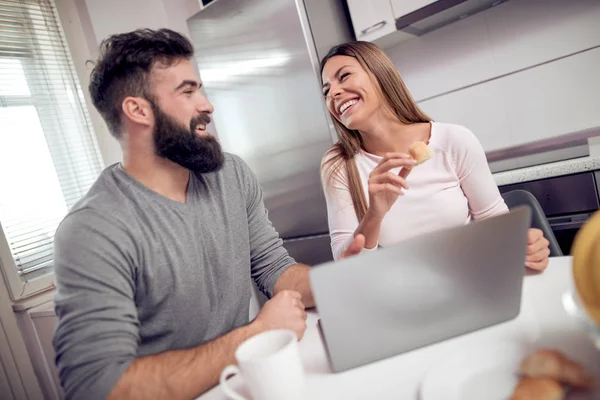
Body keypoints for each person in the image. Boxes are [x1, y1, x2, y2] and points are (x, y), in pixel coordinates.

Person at [52, 29, 363, 400]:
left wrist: (347, 283)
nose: (207, 105)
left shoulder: (229, 175)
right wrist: (254, 335)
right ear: (138, 110)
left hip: (243, 385)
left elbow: (273, 269)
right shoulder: (93, 230)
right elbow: (97, 388)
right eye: (187, 91)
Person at [319, 41, 550, 270]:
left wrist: (526, 247)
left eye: (344, 76)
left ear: (379, 73)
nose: (334, 93)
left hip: (474, 275)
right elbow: (345, 265)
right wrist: (374, 215)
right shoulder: (338, 164)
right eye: (326, 90)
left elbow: (498, 226)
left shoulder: (453, 140)